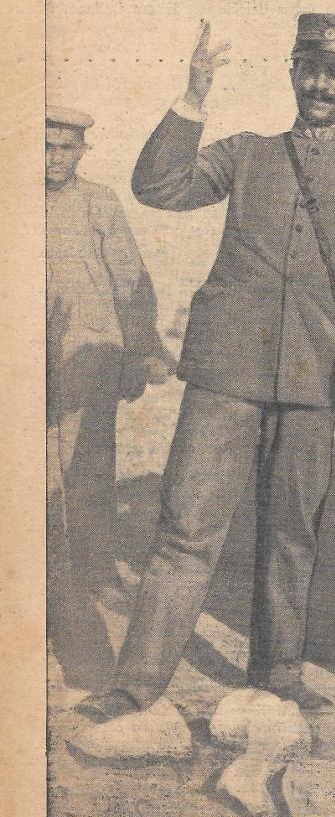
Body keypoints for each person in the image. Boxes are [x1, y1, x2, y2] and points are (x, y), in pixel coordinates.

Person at [76, 15, 335, 722]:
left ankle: (278, 672)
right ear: (291, 71)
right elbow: (160, 186)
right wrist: (192, 96)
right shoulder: (248, 154)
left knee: (292, 531)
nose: (323, 86)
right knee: (187, 528)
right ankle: (137, 684)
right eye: (312, 70)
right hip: (226, 373)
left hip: (312, 378)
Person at [46, 106, 165, 689]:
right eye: (44, 147)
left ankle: (91, 573)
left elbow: (131, 279)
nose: (54, 159)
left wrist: (141, 350)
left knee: (89, 470)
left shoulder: (99, 202)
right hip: (27, 363)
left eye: (66, 148)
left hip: (90, 360)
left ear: (82, 151)